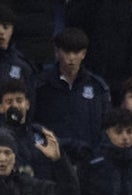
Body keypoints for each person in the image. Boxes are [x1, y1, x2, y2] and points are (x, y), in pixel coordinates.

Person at [31, 27, 110, 166]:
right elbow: (32, 122)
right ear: (57, 52)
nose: (72, 58)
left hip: (89, 161)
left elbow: (107, 125)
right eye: (67, 52)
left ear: (84, 54)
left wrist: (97, 154)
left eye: (76, 52)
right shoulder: (40, 85)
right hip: (51, 159)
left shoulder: (98, 87)